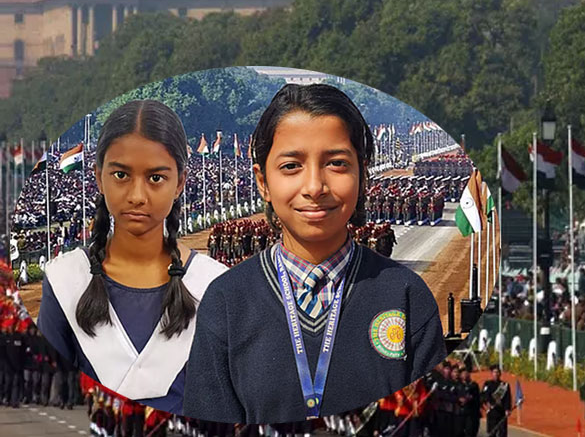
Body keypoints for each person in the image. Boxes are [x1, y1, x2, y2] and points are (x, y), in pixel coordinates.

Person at [183, 83, 445, 424]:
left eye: (336, 163)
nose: (314, 187)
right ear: (263, 182)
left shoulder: (405, 296)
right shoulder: (227, 302)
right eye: (291, 166)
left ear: (362, 173)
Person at [38, 100, 228, 413]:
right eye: (121, 175)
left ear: (180, 183)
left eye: (156, 178)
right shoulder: (65, 279)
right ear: (99, 178)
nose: (137, 196)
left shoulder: (216, 286)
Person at [481, 364, 511, 437]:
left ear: (500, 373)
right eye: (494, 372)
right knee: (492, 432)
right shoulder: (488, 384)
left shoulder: (504, 385)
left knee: (502, 432)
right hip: (492, 411)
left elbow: (508, 398)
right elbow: (484, 395)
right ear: (491, 373)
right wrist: (487, 402)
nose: (496, 374)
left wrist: (507, 409)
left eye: (498, 372)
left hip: (501, 412)